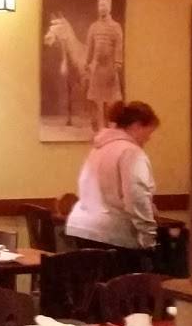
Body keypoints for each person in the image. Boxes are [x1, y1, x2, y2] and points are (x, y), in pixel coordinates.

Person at [65, 100, 159, 268]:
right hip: (112, 233)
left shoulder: (98, 148)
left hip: (81, 228)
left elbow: (84, 184)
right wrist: (148, 238)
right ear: (137, 125)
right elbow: (136, 197)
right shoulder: (131, 152)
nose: (149, 138)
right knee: (121, 284)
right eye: (149, 131)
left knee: (93, 283)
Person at [84, 0, 124, 131]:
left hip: (110, 67)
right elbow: (89, 46)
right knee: (95, 99)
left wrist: (118, 62)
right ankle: (99, 128)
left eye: (104, 6)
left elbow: (119, 46)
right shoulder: (93, 27)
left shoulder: (116, 27)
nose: (102, 8)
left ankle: (109, 128)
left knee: (110, 100)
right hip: (97, 67)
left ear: (110, 7)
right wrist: (87, 61)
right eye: (100, 5)